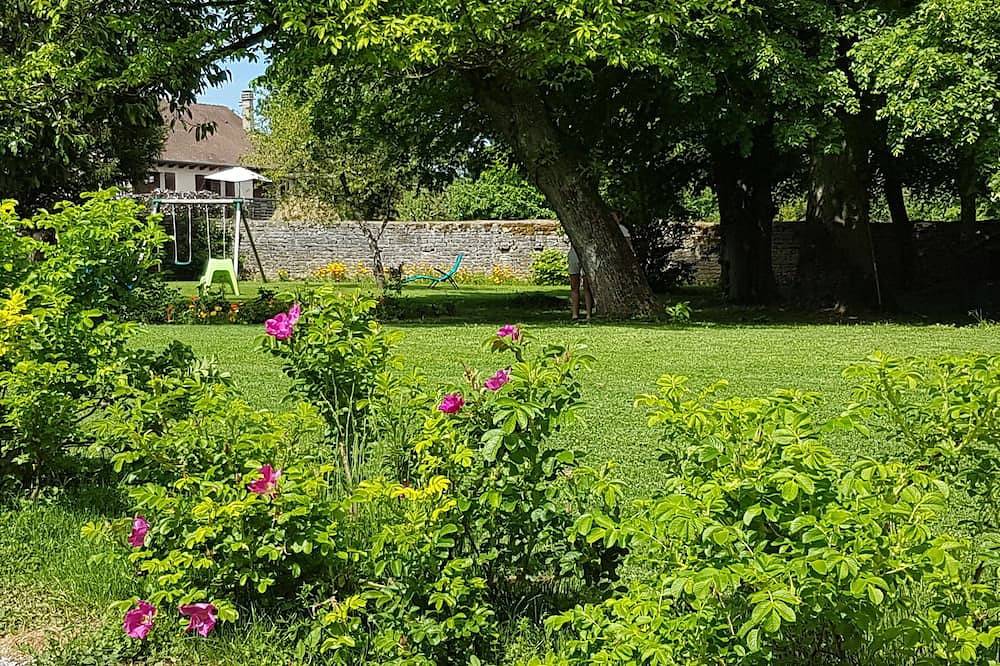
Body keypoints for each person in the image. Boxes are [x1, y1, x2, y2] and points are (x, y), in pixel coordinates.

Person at [568, 213, 632, 321]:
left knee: (587, 286)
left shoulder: (600, 228)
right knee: (574, 286)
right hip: (575, 254)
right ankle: (575, 314)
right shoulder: (575, 225)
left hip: (587, 255)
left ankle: (588, 314)